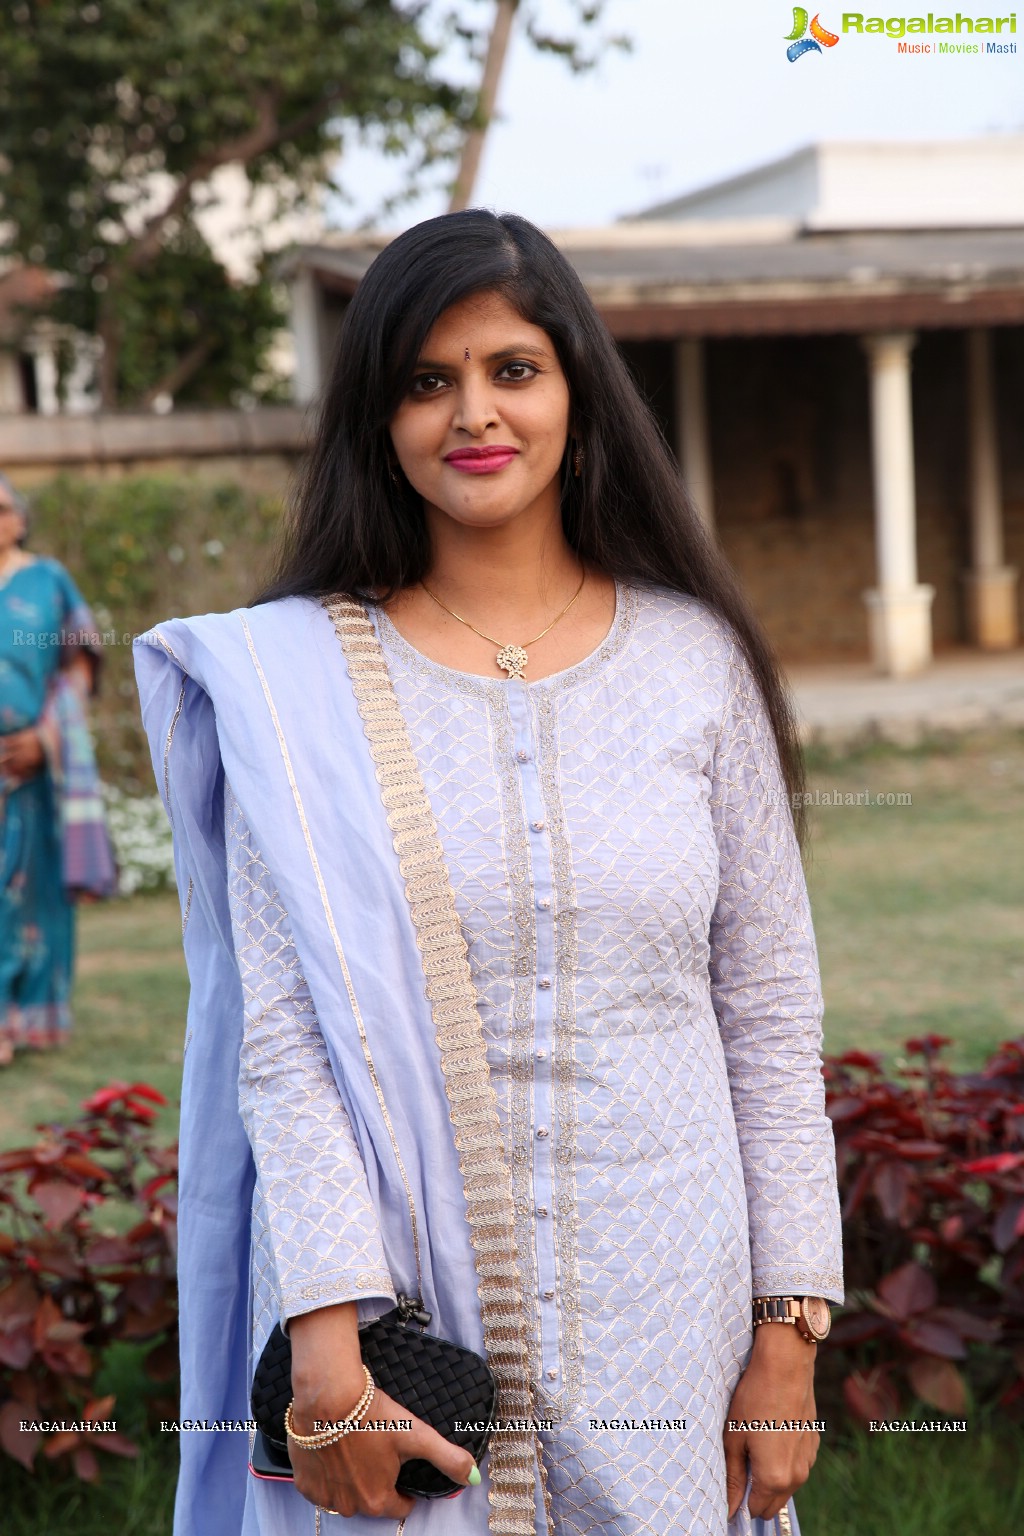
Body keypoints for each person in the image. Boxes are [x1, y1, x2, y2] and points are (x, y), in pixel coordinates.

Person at [134, 210, 843, 1536]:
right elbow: (286, 1044)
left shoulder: (698, 663)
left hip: (673, 1309)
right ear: (378, 419)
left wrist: (789, 1335)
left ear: (576, 388)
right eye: (426, 380)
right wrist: (331, 1351)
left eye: (513, 368)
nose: (475, 413)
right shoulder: (302, 689)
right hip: (418, 1323)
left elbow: (768, 1011)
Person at [0, 473, 117, 1063]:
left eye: (0, 510)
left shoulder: (48, 582)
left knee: (39, 891)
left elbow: (79, 666)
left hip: (37, 770)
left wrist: (45, 740)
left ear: (20, 519)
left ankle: (37, 1017)